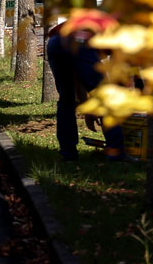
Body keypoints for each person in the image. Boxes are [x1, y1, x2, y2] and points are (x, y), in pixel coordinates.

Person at [45, 20, 126, 161]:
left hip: (55, 42)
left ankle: (68, 154)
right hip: (79, 40)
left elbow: (78, 78)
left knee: (66, 100)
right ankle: (116, 153)